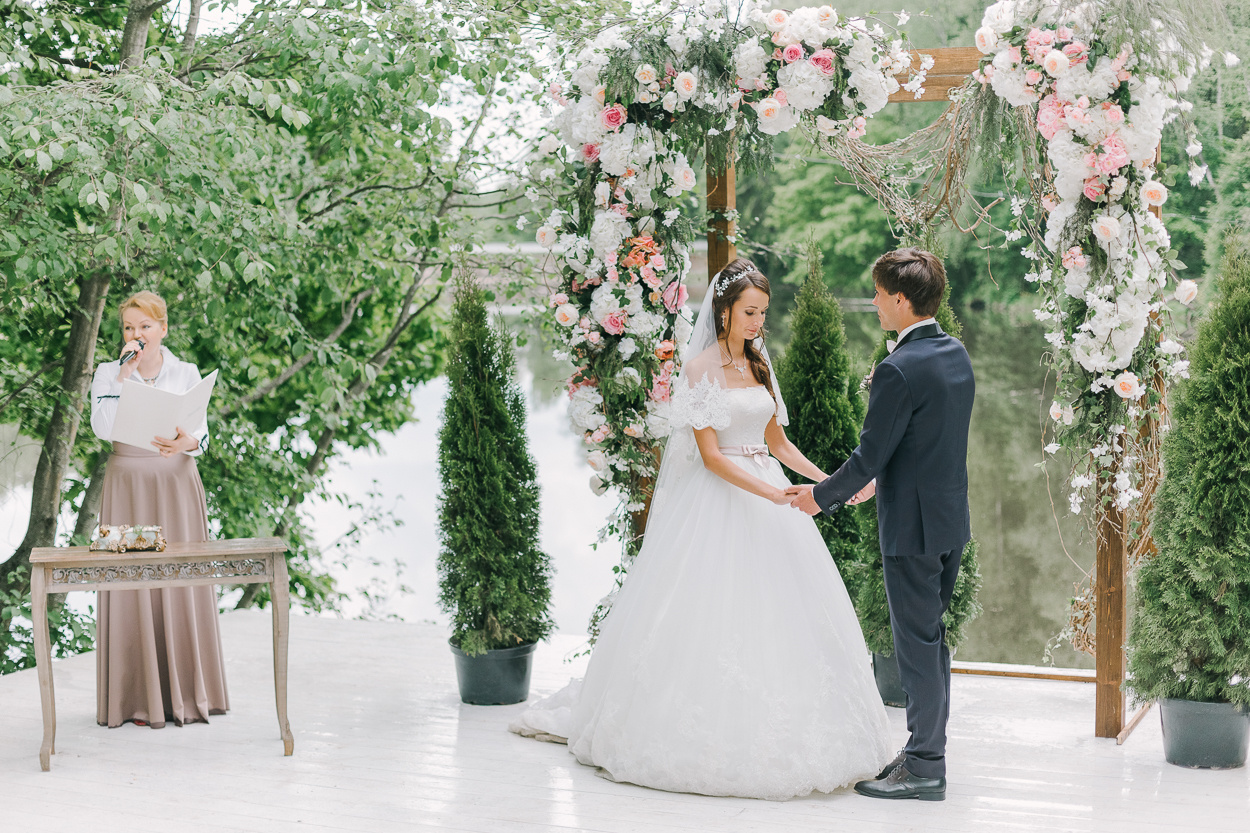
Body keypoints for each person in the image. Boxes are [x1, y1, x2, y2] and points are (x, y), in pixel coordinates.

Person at [510, 259, 893, 800]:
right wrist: (774, 495)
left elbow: (778, 444)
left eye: (764, 313)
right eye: (750, 312)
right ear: (724, 310)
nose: (758, 322)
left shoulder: (760, 362)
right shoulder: (699, 370)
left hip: (769, 487)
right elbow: (712, 458)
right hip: (724, 496)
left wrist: (828, 483)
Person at [789, 248, 975, 802]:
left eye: (877, 294)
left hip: (912, 530)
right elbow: (928, 441)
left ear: (900, 299)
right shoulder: (956, 353)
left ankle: (925, 768)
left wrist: (819, 497)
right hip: (949, 522)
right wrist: (875, 480)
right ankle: (924, 752)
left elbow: (870, 455)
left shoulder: (898, 369)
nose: (872, 302)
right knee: (930, 643)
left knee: (916, 649)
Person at [89, 290, 229, 728]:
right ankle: (135, 699)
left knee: (181, 579)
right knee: (130, 582)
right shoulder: (108, 373)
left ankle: (187, 695)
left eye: (145, 326)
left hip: (175, 484)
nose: (136, 334)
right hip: (128, 486)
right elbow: (102, 429)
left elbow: (201, 432)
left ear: (163, 328)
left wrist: (190, 441)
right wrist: (122, 378)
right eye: (129, 327)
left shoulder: (185, 372)